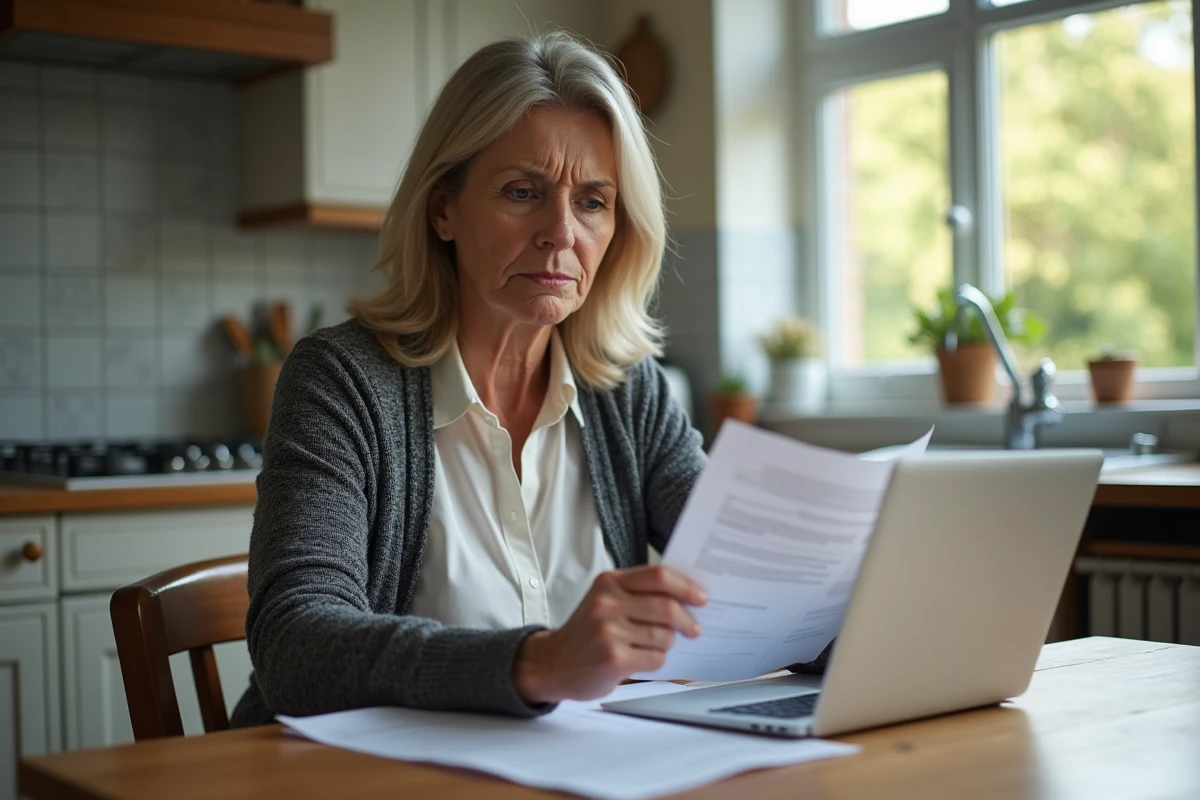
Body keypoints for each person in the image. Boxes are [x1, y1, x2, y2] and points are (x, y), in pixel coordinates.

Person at [229, 30, 713, 726]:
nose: (560, 232)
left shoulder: (627, 390)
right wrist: (539, 662)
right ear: (444, 209)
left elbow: (741, 570)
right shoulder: (341, 381)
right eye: (523, 192)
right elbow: (295, 646)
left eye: (593, 202)